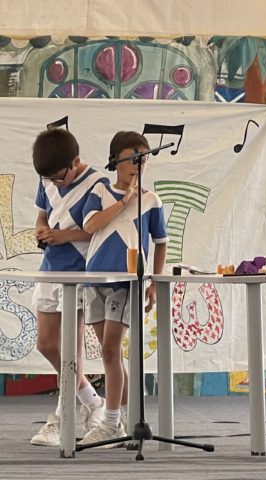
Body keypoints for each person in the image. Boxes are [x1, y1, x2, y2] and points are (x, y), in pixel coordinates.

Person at [78, 131, 168, 446]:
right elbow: (90, 225)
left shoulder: (152, 200)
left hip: (127, 283)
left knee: (110, 350)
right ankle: (125, 422)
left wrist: (155, 282)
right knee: (111, 354)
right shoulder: (99, 190)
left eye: (143, 159)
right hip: (95, 280)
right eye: (132, 158)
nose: (137, 165)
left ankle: (111, 421)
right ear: (116, 160)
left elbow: (161, 242)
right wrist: (124, 202)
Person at [30, 128, 108, 446]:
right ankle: (92, 401)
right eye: (49, 179)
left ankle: (61, 420)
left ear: (75, 162)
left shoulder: (98, 184)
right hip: (50, 268)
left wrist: (64, 236)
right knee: (46, 344)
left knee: (70, 352)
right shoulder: (49, 177)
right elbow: (42, 216)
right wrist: (41, 230)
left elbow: (98, 229)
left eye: (59, 178)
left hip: (79, 273)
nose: (55, 183)